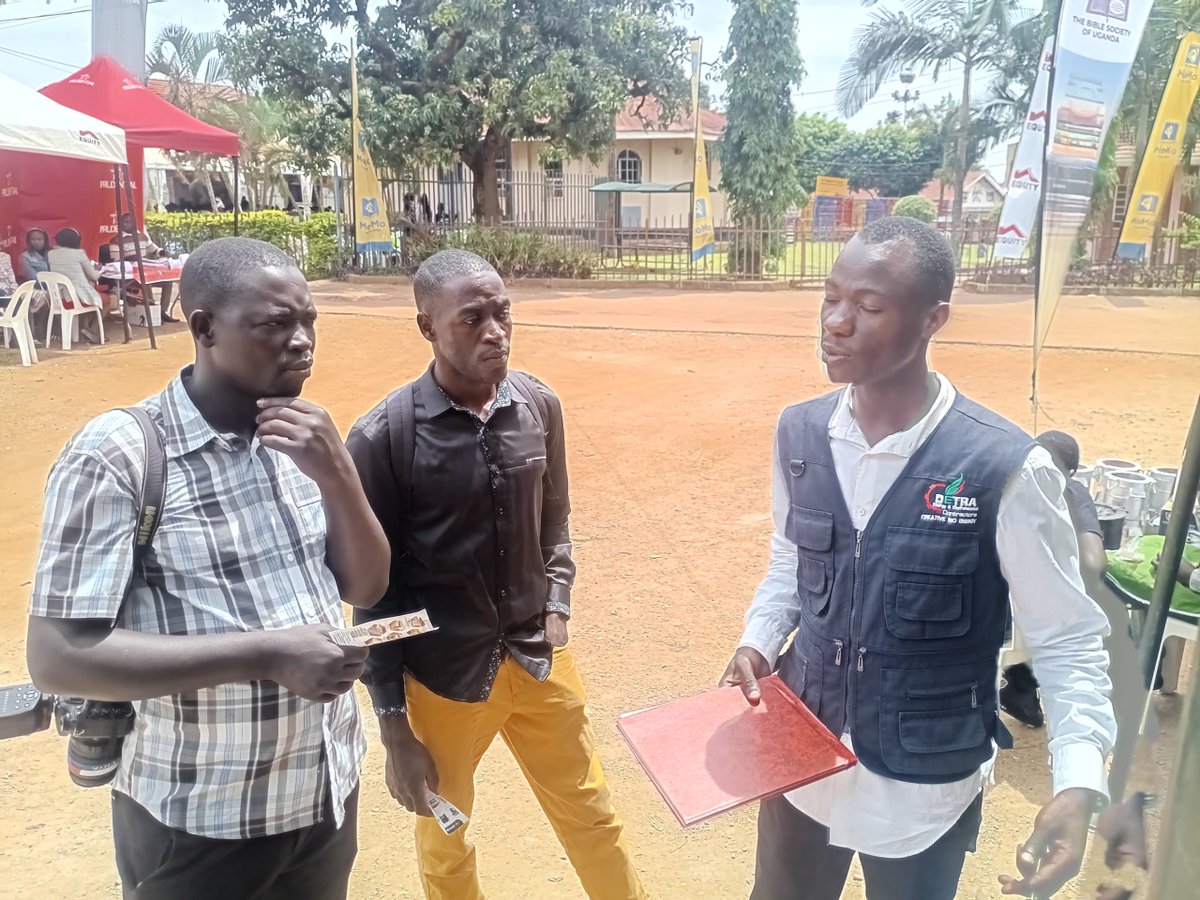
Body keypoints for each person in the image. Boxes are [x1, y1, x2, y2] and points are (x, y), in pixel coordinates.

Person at [720, 217, 1116, 900]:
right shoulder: (801, 432)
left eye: (869, 307)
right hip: (802, 768)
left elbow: (1067, 639)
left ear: (934, 319)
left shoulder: (1005, 468)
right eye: (830, 298)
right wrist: (758, 639)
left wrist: (1080, 782)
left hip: (924, 790)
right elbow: (790, 560)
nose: (837, 323)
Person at [26, 236, 391, 899]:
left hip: (322, 792)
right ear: (203, 328)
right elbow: (58, 655)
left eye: (308, 321)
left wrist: (338, 475)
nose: (302, 342)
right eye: (276, 325)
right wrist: (268, 655)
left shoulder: (299, 440)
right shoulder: (120, 453)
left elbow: (365, 586)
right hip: (201, 817)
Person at [346, 249, 646, 900]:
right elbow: (375, 598)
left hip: (541, 662)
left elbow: (556, 522)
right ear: (427, 327)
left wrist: (558, 601)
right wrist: (395, 727)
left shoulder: (539, 406)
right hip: (443, 682)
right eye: (472, 318)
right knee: (445, 836)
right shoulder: (383, 439)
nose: (495, 332)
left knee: (592, 815)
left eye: (503, 313)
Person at [1000, 430, 1108, 728]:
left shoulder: (1003, 482)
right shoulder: (1071, 491)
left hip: (992, 613)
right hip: (1037, 621)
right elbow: (1093, 562)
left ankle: (1019, 684)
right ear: (1071, 472)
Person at [48, 227, 109, 340]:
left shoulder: (51, 254)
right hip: (77, 297)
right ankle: (93, 331)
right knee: (106, 301)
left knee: (88, 298)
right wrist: (100, 269)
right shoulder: (79, 254)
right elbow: (94, 276)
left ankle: (85, 328)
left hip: (60, 297)